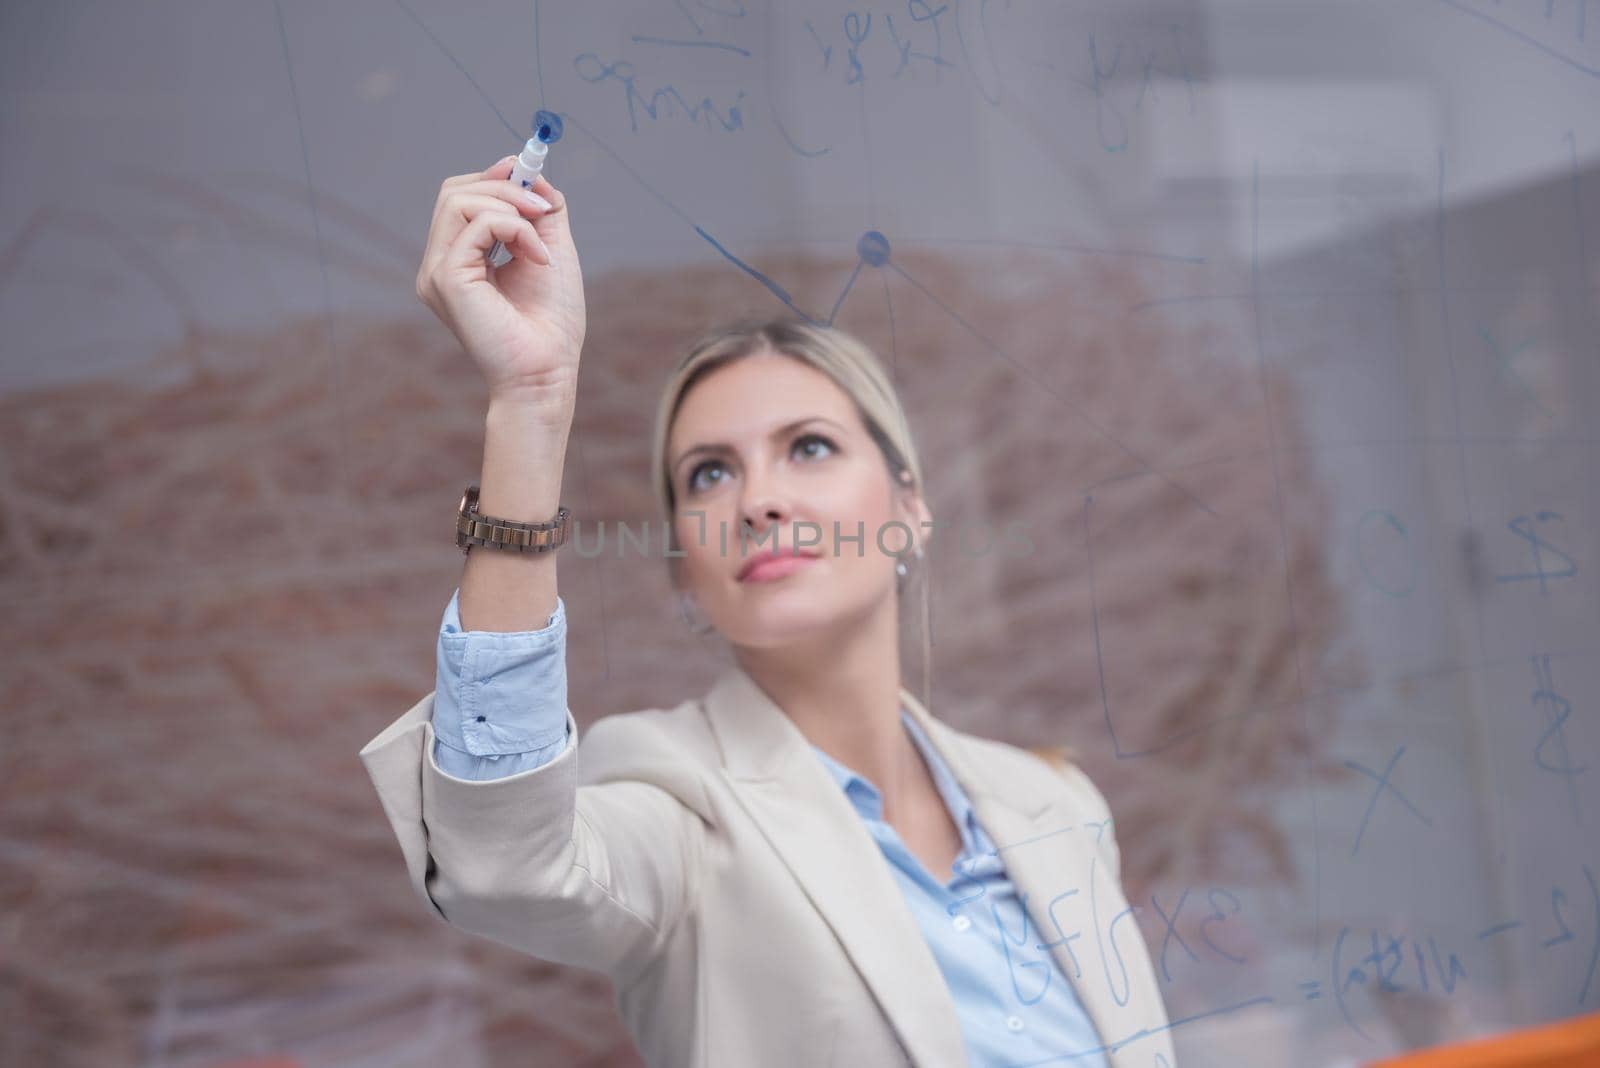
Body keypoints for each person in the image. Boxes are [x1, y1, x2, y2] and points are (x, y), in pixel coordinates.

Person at [358, 154, 1176, 1067]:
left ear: (909, 512)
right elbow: (505, 866)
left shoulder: (1055, 808)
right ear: (683, 573)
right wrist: (531, 404)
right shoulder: (678, 798)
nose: (760, 501)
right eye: (709, 473)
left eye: (811, 447)